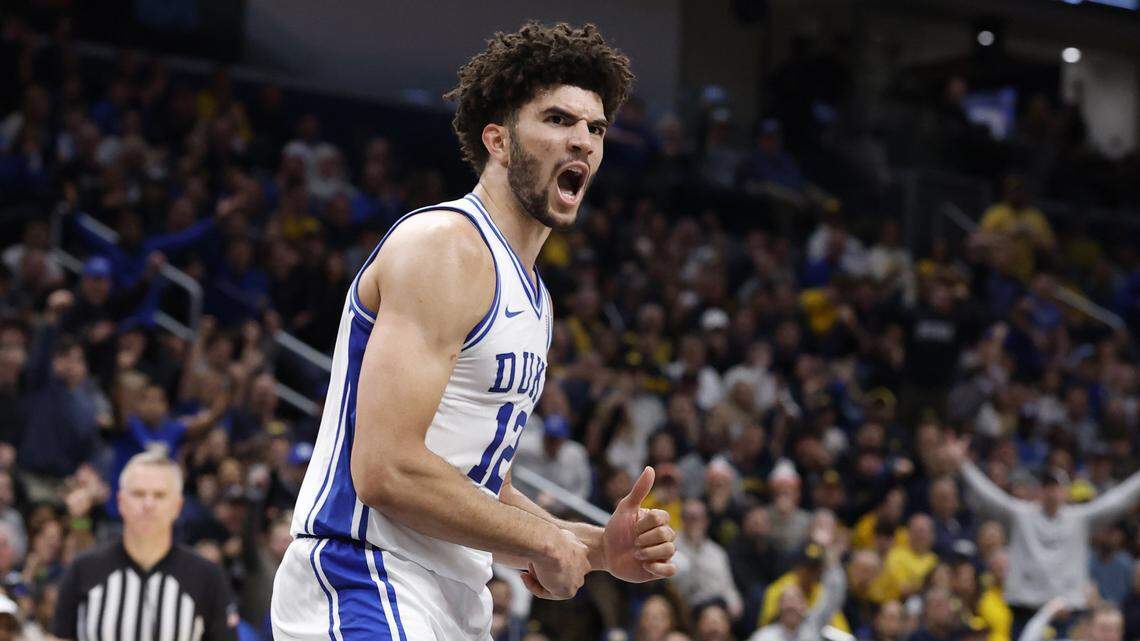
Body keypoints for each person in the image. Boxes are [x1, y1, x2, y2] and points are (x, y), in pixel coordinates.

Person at [271, 22, 678, 641]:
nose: (583, 142)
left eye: (595, 129)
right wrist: (542, 540)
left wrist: (595, 550)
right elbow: (385, 470)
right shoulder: (445, 247)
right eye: (558, 120)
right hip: (364, 577)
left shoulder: (535, 300)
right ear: (500, 141)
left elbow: (475, 483)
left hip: (451, 595)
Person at [945, 435, 1140, 633]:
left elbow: (1117, 501)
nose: (1051, 492)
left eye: (1056, 487)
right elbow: (989, 496)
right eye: (1047, 487)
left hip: (1066, 611)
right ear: (1039, 490)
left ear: (1065, 492)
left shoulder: (1080, 519)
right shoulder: (1021, 515)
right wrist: (963, 465)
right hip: (1025, 608)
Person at [51, 451, 238, 641]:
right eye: (138, 494)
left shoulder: (206, 576)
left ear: (178, 506)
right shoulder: (83, 569)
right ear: (120, 501)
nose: (148, 504)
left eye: (159, 495)